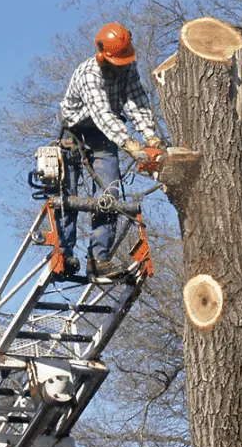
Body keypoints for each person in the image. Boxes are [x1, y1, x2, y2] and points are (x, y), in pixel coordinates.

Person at [55, 22, 163, 279]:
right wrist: (130, 144)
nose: (122, 66)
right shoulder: (89, 74)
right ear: (103, 55)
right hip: (75, 134)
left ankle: (99, 258)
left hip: (105, 135)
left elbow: (137, 101)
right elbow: (102, 114)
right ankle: (64, 254)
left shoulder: (127, 65)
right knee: (67, 198)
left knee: (109, 194)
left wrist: (150, 136)